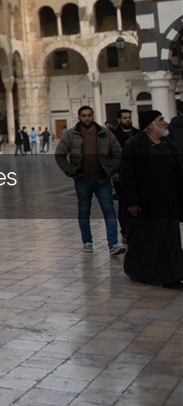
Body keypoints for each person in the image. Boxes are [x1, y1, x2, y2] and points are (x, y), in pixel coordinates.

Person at [119, 110, 183, 289]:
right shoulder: (134, 145)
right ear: (150, 125)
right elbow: (127, 176)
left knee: (170, 238)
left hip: (169, 201)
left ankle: (172, 276)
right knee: (144, 240)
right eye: (161, 120)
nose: (165, 122)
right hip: (146, 202)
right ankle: (137, 271)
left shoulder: (167, 144)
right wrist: (131, 201)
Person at [54, 106, 125, 256]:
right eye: (84, 116)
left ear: (93, 116)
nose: (87, 118)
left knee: (109, 210)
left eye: (89, 115)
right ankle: (87, 241)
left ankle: (113, 244)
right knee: (84, 211)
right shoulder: (71, 134)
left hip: (102, 179)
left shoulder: (104, 133)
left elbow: (117, 151)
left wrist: (111, 169)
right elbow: (60, 155)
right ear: (79, 117)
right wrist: (70, 171)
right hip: (82, 180)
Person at [111, 109, 139, 243]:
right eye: (124, 118)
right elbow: (110, 154)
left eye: (129, 117)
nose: (127, 120)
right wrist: (114, 172)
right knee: (124, 203)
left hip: (138, 174)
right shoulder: (114, 135)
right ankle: (125, 231)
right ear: (119, 120)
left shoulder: (138, 133)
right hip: (122, 175)